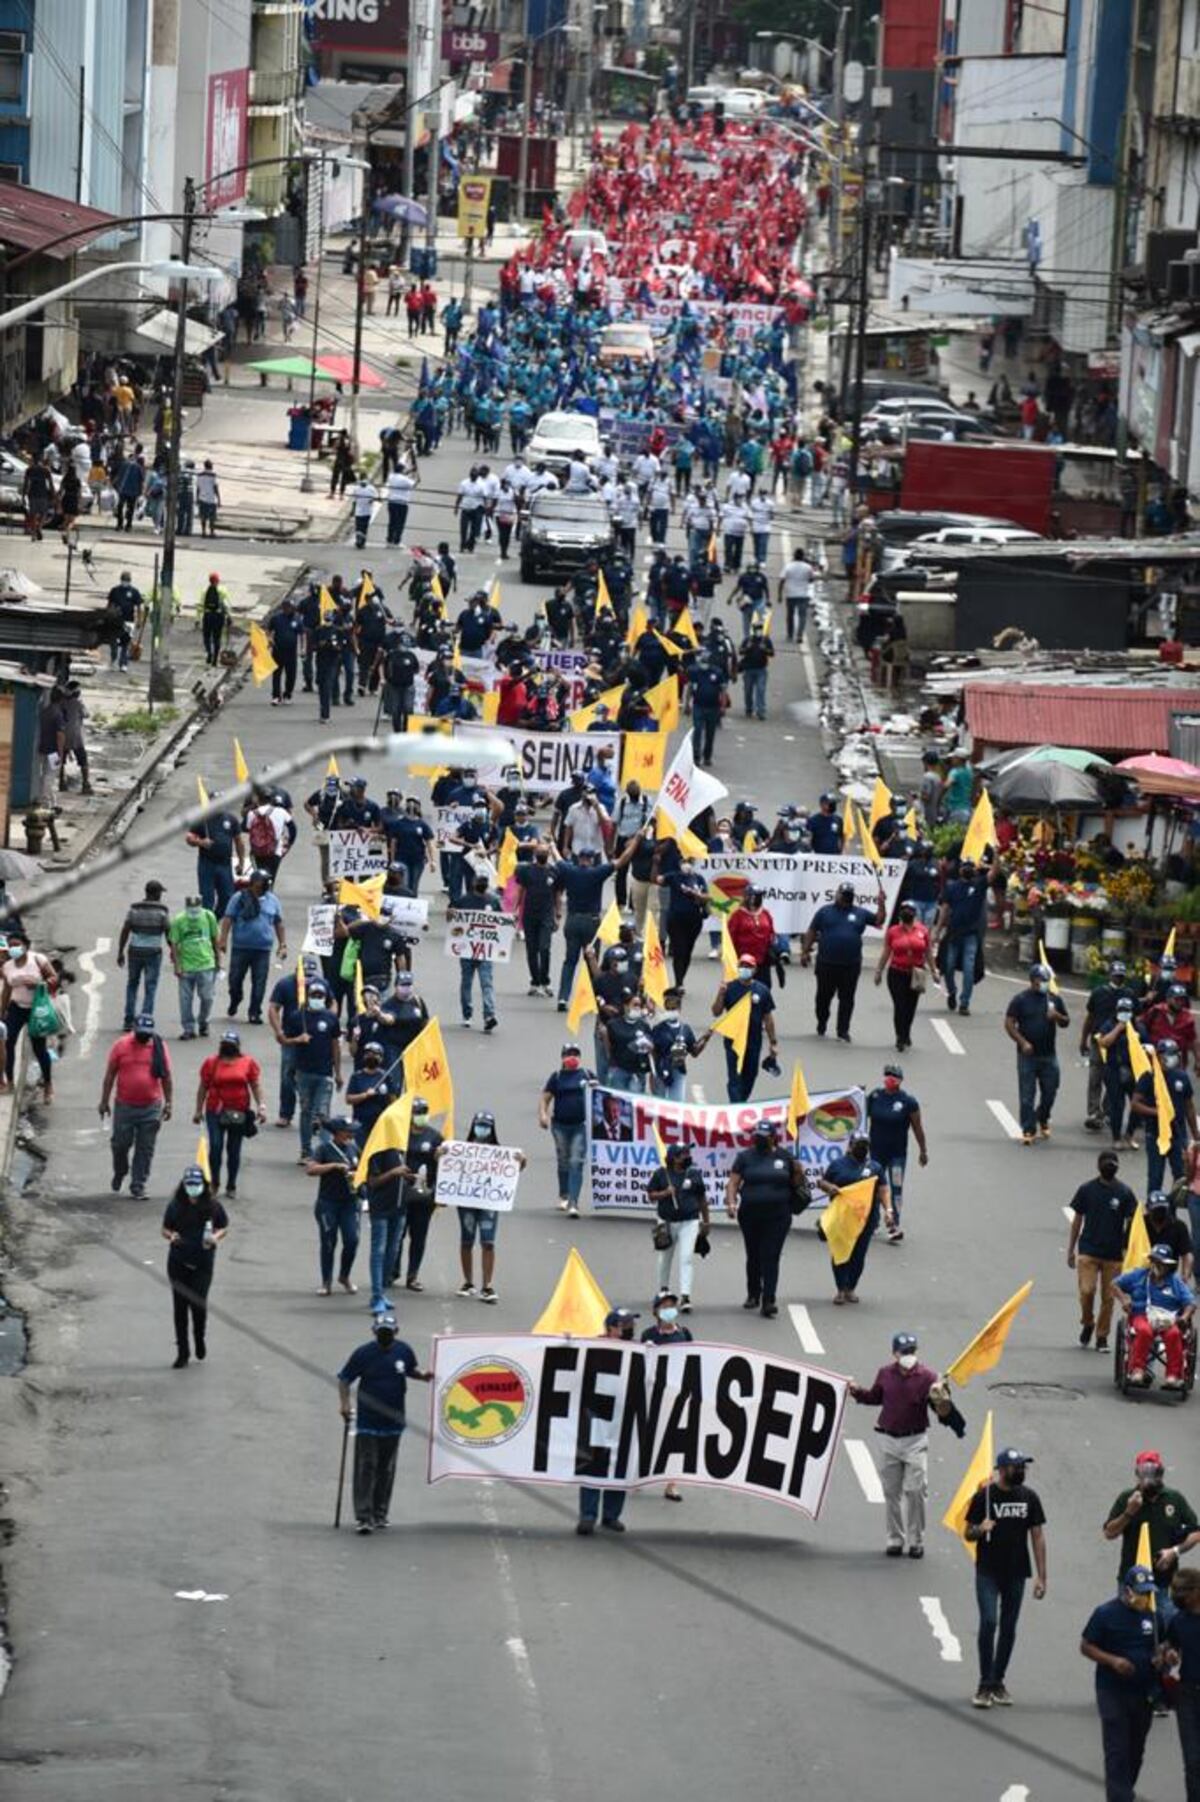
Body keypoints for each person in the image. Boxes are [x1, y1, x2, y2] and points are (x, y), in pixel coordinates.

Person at [848, 1332, 956, 1559]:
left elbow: (943, 1413)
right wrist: (856, 1391)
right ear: (894, 1354)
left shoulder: (929, 1377)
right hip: (888, 1440)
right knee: (891, 1493)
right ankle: (895, 1539)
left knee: (916, 1492)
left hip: (915, 1440)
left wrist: (943, 1397)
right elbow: (875, 1398)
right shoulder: (885, 1374)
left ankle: (916, 1540)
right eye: (904, 1352)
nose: (908, 1356)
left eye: (911, 1351)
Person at [965, 1446, 1048, 1708]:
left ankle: (997, 1681)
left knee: (1009, 1628)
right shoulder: (984, 1497)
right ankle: (984, 1683)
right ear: (1001, 1470)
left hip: (1016, 1572)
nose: (1021, 1471)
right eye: (1016, 1467)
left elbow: (1037, 1536)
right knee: (989, 1622)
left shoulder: (1030, 1498)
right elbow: (968, 1532)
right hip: (988, 1571)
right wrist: (981, 1528)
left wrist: (1042, 1577)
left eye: (1023, 1467)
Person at [337, 1312, 433, 1534]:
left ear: (396, 1332)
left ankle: (380, 1513)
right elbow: (344, 1379)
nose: (385, 1336)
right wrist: (344, 1404)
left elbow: (409, 1370)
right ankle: (364, 1516)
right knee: (367, 1466)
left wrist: (423, 1376)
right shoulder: (363, 1354)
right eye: (381, 1333)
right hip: (368, 1421)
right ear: (374, 1332)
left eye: (388, 1333)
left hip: (394, 1420)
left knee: (385, 1468)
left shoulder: (404, 1351)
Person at [1079, 1566, 1160, 1794]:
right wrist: (1113, 1661)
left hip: (1143, 1692)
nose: (1144, 1598)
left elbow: (1162, 1646)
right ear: (1127, 1591)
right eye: (1140, 1593)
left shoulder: (1153, 1617)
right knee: (1117, 1750)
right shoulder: (1105, 1614)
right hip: (1112, 1690)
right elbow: (1086, 1646)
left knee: (1136, 1750)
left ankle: (1125, 1791)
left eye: (1148, 1593)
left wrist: (1163, 1657)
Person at [725, 1117, 805, 1318]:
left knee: (771, 1255)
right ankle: (753, 1292)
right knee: (754, 1255)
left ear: (773, 1138)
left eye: (764, 1137)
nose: (759, 1140)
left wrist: (798, 1171)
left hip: (778, 1215)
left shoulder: (785, 1157)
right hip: (750, 1214)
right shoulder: (745, 1157)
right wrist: (731, 1203)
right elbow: (733, 1183)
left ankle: (769, 1299)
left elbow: (798, 1183)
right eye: (757, 1136)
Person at [1104, 1450, 1200, 1616]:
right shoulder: (1127, 1498)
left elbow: (1196, 1532)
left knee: (1167, 1632)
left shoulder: (1174, 1499)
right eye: (1144, 1474)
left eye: (1153, 1474)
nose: (1149, 1480)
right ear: (1138, 1475)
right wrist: (1128, 1513)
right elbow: (1109, 1533)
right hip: (1132, 1584)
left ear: (1161, 1474)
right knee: (1128, 1630)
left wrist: (1174, 1551)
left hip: (1164, 1583)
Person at [1067, 1151, 1138, 1350]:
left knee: (1109, 1298)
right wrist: (1071, 1249)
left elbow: (1134, 1223)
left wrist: (1128, 1250)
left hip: (1113, 1254)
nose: (1110, 1167)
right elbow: (1077, 1220)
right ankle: (1088, 1322)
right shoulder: (1086, 1189)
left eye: (1113, 1164)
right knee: (1086, 1291)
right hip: (1088, 1250)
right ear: (1098, 1166)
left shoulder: (1124, 1192)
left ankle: (1101, 1336)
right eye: (1106, 1163)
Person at [577, 1308, 639, 1536]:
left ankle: (611, 1515)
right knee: (593, 1464)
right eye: (624, 1324)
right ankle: (588, 1515)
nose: (629, 1328)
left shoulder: (639, 1349)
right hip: (597, 1416)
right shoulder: (594, 1346)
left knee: (619, 1466)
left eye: (631, 1323)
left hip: (625, 1416)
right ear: (611, 1328)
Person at [800, 879, 886, 1043]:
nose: (846, 898)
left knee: (847, 999)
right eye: (844, 894)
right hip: (826, 963)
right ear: (837, 894)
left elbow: (879, 921)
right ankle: (822, 1021)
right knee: (823, 998)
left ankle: (843, 1030)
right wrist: (805, 951)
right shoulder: (824, 912)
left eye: (849, 895)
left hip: (850, 965)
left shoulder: (860, 913)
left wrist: (881, 904)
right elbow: (812, 930)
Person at [98, 1013, 173, 1199]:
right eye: (141, 1033)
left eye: (147, 1033)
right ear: (134, 1030)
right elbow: (110, 1075)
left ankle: (138, 1184)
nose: (144, 1037)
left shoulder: (159, 1047)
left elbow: (167, 1077)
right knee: (120, 1144)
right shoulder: (121, 1046)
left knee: (145, 1148)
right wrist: (104, 1101)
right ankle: (120, 1170)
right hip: (125, 1106)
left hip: (151, 1106)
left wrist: (169, 1103)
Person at [161, 1164, 228, 1368]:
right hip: (178, 1260)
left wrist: (215, 1237)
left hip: (203, 1261)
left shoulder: (213, 1206)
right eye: (189, 1185)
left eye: (196, 1185)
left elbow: (223, 1227)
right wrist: (172, 1236)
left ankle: (199, 1337)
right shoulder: (175, 1206)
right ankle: (182, 1351)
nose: (193, 1189)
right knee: (179, 1307)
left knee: (198, 1303)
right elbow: (165, 1228)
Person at [457, 1110, 525, 1303]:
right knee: (466, 1240)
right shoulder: (462, 1149)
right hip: (467, 1202)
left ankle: (487, 1285)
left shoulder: (499, 1152)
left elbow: (512, 1170)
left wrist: (522, 1160)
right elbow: (447, 1166)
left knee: (488, 1242)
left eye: (486, 1126)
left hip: (489, 1203)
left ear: (492, 1129)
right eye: (480, 1125)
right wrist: (441, 1155)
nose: (482, 1129)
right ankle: (468, 1282)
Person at [819, 1134, 895, 1304]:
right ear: (850, 1145)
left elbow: (883, 1190)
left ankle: (850, 1288)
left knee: (858, 1255)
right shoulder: (838, 1165)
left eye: (865, 1145)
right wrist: (830, 1187)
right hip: (842, 1218)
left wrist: (888, 1211)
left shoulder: (875, 1167)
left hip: (865, 1219)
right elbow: (822, 1182)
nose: (862, 1148)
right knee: (840, 1252)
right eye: (858, 1144)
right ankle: (839, 1288)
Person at [193, 1028, 266, 1200]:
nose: (228, 1047)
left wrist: (261, 1106)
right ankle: (214, 1182)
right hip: (215, 1110)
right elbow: (203, 1086)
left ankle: (231, 1184)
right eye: (225, 1044)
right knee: (216, 1147)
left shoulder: (247, 1062)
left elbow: (255, 1085)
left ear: (237, 1046)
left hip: (238, 1112)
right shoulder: (211, 1063)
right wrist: (198, 1110)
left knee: (234, 1149)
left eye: (231, 1045)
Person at [1114, 1242, 1196, 1389]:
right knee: (1144, 1331)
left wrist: (1184, 1316)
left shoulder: (1175, 1282)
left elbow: (1190, 1302)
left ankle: (1173, 1375)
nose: (1157, 1265)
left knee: (1174, 1334)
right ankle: (1137, 1369)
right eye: (1155, 1261)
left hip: (1168, 1319)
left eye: (1161, 1263)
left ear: (1168, 1265)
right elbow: (1115, 1284)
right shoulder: (1139, 1275)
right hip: (1142, 1315)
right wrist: (1124, 1299)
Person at [1004, 962, 1070, 1145]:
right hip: (1028, 1056)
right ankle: (1028, 1128)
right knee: (1027, 1094)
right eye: (1041, 980)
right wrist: (1022, 1042)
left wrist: (1057, 1016)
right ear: (1033, 981)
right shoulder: (1020, 1000)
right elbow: (1009, 1023)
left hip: (1048, 1054)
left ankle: (1043, 1117)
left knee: (1050, 1090)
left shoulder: (1054, 999)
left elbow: (1066, 1021)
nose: (1044, 984)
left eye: (1047, 981)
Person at [864, 1063, 928, 1243]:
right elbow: (861, 1116)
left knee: (896, 1190)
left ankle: (894, 1224)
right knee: (873, 1188)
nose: (889, 1078)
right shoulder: (875, 1096)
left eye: (893, 1076)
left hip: (896, 1155)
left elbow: (917, 1127)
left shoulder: (908, 1102)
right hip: (875, 1153)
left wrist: (923, 1150)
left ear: (899, 1080)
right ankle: (874, 1222)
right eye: (887, 1075)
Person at [641, 1292, 695, 1501]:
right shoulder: (648, 1335)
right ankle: (638, 1478)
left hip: (676, 1394)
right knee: (646, 1436)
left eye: (672, 1305)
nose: (669, 1310)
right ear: (655, 1311)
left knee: (674, 1439)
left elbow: (694, 1361)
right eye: (664, 1306)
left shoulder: (684, 1334)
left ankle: (671, 1484)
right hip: (653, 1393)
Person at [281, 977, 342, 1160]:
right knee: (306, 1111)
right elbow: (283, 1040)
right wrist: (297, 1040)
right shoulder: (296, 1017)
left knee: (323, 1113)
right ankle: (306, 1150)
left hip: (324, 1073)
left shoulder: (331, 1018)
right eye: (314, 995)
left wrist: (338, 1072)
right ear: (307, 996)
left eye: (320, 995)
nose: (317, 997)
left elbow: (335, 1046)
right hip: (303, 1072)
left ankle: (323, 1152)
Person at [219, 871, 287, 1025]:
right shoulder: (239, 898)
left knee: (259, 982)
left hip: (262, 949)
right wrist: (223, 939)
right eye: (264, 881)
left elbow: (278, 923)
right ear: (255, 882)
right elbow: (228, 918)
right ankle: (235, 999)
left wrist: (282, 944)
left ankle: (255, 1012)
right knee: (235, 980)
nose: (266, 884)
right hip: (240, 947)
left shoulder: (273, 900)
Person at [648, 1142, 710, 1312]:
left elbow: (702, 1199)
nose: (688, 1157)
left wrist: (706, 1221)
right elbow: (651, 1196)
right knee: (664, 1257)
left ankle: (685, 1296)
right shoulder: (661, 1174)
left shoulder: (695, 1174)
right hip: (665, 1221)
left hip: (689, 1222)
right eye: (683, 1154)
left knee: (686, 1257)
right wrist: (665, 1193)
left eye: (688, 1153)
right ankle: (663, 1290)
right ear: (674, 1158)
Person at [1131, 1036, 1197, 1192]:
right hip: (1155, 1135)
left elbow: (1189, 1107)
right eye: (1166, 1055)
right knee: (1155, 1176)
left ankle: (1172, 1211)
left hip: (1178, 1135)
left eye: (1173, 1054)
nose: (1170, 1058)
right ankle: (1155, 1211)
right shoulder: (1149, 1077)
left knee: (1180, 1176)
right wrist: (1157, 1112)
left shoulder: (1182, 1078)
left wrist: (1195, 1135)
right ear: (1158, 1057)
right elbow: (1135, 1104)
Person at [713, 956, 779, 1103]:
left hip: (753, 1040)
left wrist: (773, 1042)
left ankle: (741, 1103)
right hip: (733, 1040)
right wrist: (720, 994)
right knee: (734, 1077)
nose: (745, 969)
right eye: (742, 965)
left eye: (748, 966)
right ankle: (736, 1108)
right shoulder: (729, 988)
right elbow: (716, 1012)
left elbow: (768, 1018)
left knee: (750, 1075)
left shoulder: (762, 990)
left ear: (755, 970)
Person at [307, 1115, 360, 1296]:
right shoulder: (324, 1149)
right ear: (337, 1133)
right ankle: (326, 1280)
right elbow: (311, 1169)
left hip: (350, 1203)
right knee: (329, 1241)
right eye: (348, 1131)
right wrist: (333, 1167)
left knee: (352, 1240)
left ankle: (344, 1275)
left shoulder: (353, 1149)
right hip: (328, 1203)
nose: (351, 1134)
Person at [0, 930, 57, 1097]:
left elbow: (54, 978)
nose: (13, 949)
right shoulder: (7, 967)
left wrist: (40, 984)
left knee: (39, 1048)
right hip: (16, 1008)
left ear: (26, 946)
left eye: (17, 945)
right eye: (10, 946)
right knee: (8, 1044)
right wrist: (2, 1012)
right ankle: (9, 1082)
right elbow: (6, 991)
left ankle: (48, 1084)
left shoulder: (38, 960)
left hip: (36, 1010)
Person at [873, 898, 935, 1051]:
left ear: (915, 914)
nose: (907, 912)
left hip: (916, 974)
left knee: (911, 1007)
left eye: (910, 910)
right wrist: (879, 971)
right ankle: (900, 1036)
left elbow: (928, 952)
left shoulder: (923, 931)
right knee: (900, 1005)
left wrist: (935, 971)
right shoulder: (893, 931)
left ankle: (906, 1032)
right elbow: (886, 952)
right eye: (904, 909)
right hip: (897, 973)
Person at [539, 1041, 592, 1217]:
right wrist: (543, 1115)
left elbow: (601, 1096)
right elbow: (545, 1098)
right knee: (563, 1160)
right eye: (569, 1054)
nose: (573, 1057)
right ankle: (564, 1194)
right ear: (562, 1058)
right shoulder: (557, 1077)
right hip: (560, 1126)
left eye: (576, 1054)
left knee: (576, 1161)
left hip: (581, 1125)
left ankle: (573, 1202)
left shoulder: (587, 1074)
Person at [935, 857, 988, 1016]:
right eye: (965, 866)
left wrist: (997, 854)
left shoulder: (979, 885)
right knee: (948, 965)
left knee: (969, 969)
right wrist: (937, 931)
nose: (968, 869)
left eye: (970, 867)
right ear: (960, 870)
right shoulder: (952, 887)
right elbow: (944, 909)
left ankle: (965, 1003)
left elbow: (994, 873)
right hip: (953, 934)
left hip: (971, 935)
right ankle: (952, 991)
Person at [1165, 1566, 1200, 1799]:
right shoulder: (1179, 1621)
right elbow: (1170, 1646)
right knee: (1193, 1760)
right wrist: (1170, 1654)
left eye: (1182, 1591)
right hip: (1188, 1694)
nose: (1177, 1596)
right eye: (1174, 1590)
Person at [451, 873, 501, 1032]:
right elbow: (451, 917)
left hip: (485, 950)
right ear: (473, 883)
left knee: (486, 983)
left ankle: (489, 1015)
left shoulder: (493, 901)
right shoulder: (463, 900)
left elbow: (501, 922)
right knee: (467, 982)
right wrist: (450, 914)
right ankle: (467, 1014)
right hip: (467, 949)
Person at [117, 880, 170, 1028]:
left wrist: (120, 951)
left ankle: (128, 1019)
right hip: (153, 953)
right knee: (150, 986)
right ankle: (145, 1020)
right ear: (156, 893)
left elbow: (125, 930)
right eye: (160, 892)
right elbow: (168, 932)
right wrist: (174, 951)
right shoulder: (162, 911)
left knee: (132, 984)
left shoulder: (134, 910)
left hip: (134, 951)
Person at [167, 893, 220, 1041]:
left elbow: (215, 939)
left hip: (206, 964)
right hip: (186, 966)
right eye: (191, 910)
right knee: (185, 1000)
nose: (194, 914)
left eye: (196, 910)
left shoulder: (209, 916)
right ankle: (188, 1028)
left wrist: (218, 960)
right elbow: (174, 944)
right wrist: (177, 966)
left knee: (207, 997)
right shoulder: (179, 920)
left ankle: (203, 1021)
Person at [186, 800, 244, 919]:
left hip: (225, 864)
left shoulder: (231, 819)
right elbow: (189, 838)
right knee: (207, 899)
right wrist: (201, 842)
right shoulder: (202, 819)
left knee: (228, 897)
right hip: (207, 864)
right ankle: (207, 925)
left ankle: (214, 920)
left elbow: (239, 841)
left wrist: (241, 862)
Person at [777, 549, 815, 641]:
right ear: (803, 556)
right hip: (803, 594)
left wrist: (779, 595)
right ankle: (799, 635)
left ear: (794, 556)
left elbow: (782, 581)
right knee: (802, 616)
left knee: (790, 615)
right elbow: (811, 580)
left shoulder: (788, 567)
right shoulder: (808, 567)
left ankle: (790, 635)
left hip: (790, 594)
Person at [196, 459, 221, 536]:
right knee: (212, 517)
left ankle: (203, 531)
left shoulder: (200, 475)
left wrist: (197, 498)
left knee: (203, 516)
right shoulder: (213, 475)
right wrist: (219, 499)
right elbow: (215, 487)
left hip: (202, 498)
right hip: (211, 499)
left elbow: (198, 488)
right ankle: (212, 532)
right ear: (211, 466)